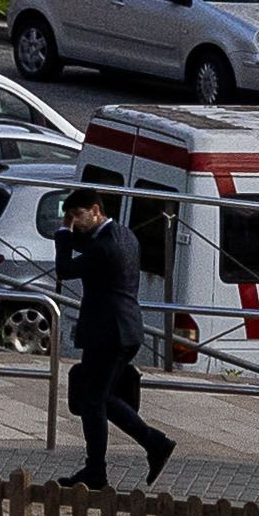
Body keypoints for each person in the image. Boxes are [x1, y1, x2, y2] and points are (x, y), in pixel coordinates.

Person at [55, 187, 170, 491]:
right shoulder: (124, 235)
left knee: (93, 401)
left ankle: (100, 470)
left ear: (95, 210)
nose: (73, 222)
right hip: (123, 330)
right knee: (101, 397)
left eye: (77, 216)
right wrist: (70, 232)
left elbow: (65, 269)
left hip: (110, 333)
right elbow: (88, 244)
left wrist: (63, 234)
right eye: (69, 217)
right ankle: (152, 444)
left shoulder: (106, 248)